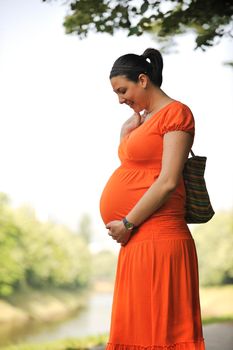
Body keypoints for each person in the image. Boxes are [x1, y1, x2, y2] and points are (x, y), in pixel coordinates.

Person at [99, 48, 205, 350]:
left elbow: (169, 180)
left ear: (143, 80)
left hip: (158, 236)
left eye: (123, 90)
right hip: (135, 240)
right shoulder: (141, 122)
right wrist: (125, 133)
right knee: (136, 333)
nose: (120, 99)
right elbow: (133, 167)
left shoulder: (176, 114)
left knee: (160, 335)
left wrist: (128, 222)